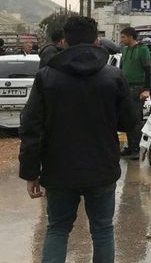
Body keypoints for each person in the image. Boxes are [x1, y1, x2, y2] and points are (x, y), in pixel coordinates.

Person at [18, 16, 136, 262]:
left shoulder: (46, 77)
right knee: (103, 231)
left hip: (59, 170)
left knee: (58, 228)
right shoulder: (113, 76)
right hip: (102, 168)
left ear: (64, 42)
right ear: (96, 40)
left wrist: (31, 172)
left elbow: (31, 128)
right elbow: (130, 122)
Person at [119, 27, 151, 160]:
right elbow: (121, 68)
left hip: (138, 87)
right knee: (126, 117)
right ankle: (130, 146)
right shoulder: (124, 50)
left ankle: (136, 148)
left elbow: (148, 70)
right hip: (125, 87)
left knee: (135, 118)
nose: (122, 40)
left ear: (131, 37)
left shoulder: (142, 49)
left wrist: (146, 89)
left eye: (124, 37)